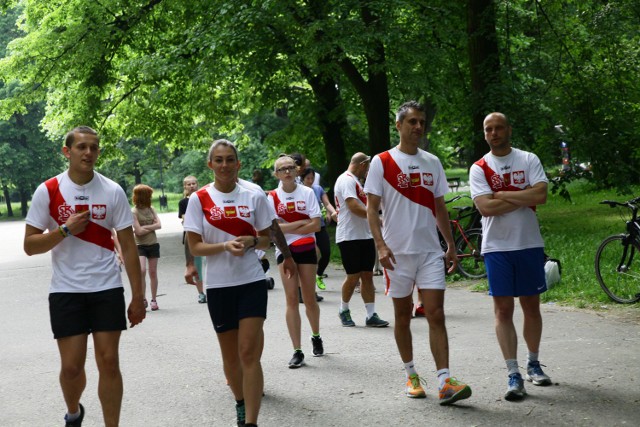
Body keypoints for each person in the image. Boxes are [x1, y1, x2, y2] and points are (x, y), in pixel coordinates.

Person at [23, 126, 146, 427]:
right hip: (66, 290)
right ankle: (74, 412)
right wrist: (65, 230)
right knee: (71, 369)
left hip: (106, 287)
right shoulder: (48, 190)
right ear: (67, 152)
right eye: (81, 147)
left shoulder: (112, 190)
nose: (88, 153)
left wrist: (138, 296)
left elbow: (129, 247)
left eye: (93, 147)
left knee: (109, 362)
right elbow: (29, 246)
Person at [365, 101, 472, 405]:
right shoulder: (382, 162)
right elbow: (372, 209)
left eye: (421, 122)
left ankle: (444, 381)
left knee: (435, 313)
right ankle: (412, 376)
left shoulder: (432, 162)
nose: (418, 127)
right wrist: (381, 245)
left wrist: (450, 245)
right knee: (402, 316)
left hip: (429, 251)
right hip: (396, 254)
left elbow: (439, 207)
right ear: (398, 126)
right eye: (411, 122)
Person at [184, 139, 274, 427]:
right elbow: (196, 247)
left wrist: (252, 241)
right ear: (210, 164)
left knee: (248, 351)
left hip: (250, 280)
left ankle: (251, 421)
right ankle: (239, 401)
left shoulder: (254, 195)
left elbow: (266, 239)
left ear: (239, 164)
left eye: (230, 159)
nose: (225, 165)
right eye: (219, 160)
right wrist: (224, 246)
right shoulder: (199, 199)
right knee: (231, 357)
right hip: (219, 285)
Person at [469, 112, 551, 401]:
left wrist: (501, 193)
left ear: (508, 129)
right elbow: (485, 209)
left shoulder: (528, 159)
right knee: (503, 310)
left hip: (528, 243)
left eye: (499, 127)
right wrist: (520, 194)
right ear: (484, 134)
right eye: (488, 129)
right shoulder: (479, 168)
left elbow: (540, 195)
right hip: (497, 247)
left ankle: (533, 363)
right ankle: (513, 372)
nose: (494, 133)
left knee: (531, 306)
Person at [268, 155, 324, 368]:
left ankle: (316, 335)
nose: (287, 172)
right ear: (276, 174)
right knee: (291, 299)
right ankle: (297, 350)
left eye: (291, 167)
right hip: (285, 250)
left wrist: (288, 226)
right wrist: (302, 222)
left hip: (307, 248)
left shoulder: (308, 193)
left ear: (297, 170)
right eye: (282, 169)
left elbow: (316, 225)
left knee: (309, 298)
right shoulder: (272, 197)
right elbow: (273, 230)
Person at [333, 152, 389, 328]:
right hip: (349, 236)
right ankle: (343, 309)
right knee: (353, 276)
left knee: (367, 275)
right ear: (363, 164)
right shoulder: (346, 180)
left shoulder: (356, 182)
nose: (368, 171)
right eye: (368, 167)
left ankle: (371, 314)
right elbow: (353, 206)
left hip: (364, 235)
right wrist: (376, 218)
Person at [301, 167, 337, 290]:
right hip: (307, 228)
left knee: (326, 253)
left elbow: (327, 203)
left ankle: (319, 274)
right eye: (308, 178)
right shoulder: (300, 191)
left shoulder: (318, 189)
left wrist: (332, 212)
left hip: (320, 226)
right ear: (303, 179)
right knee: (314, 255)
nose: (310, 181)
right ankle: (310, 288)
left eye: (312, 178)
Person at [132, 184, 162, 311]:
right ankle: (142, 298)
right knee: (142, 270)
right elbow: (138, 231)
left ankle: (154, 300)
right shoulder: (133, 211)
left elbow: (159, 225)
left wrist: (146, 228)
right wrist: (152, 226)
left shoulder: (152, 209)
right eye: (149, 195)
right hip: (140, 245)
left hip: (153, 244)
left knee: (153, 272)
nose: (151, 197)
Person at [178, 175, 207, 304]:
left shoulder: (204, 198)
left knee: (211, 263)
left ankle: (213, 288)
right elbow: (185, 219)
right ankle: (201, 293)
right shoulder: (183, 202)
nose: (191, 186)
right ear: (185, 186)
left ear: (197, 184)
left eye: (193, 183)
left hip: (206, 235)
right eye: (188, 184)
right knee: (197, 266)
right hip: (191, 236)